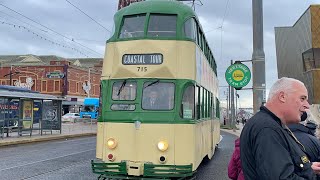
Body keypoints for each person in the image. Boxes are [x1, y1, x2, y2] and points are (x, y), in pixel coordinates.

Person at [240, 77, 320, 179]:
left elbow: (278, 170)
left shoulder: (269, 124)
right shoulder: (267, 129)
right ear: (282, 97)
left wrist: (307, 168)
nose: (307, 105)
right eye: (302, 98)